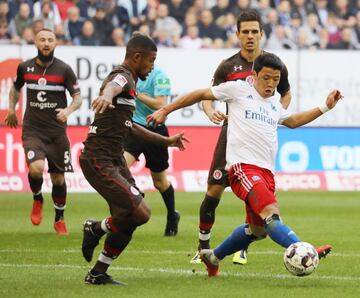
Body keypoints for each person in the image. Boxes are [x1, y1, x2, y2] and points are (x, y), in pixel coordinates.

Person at [147, 52, 338, 277]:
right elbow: (200, 94)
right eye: (266, 78)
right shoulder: (238, 89)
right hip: (243, 168)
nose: (271, 84)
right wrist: (165, 110)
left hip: (267, 173)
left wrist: (325, 107)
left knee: (258, 230)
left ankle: (213, 256)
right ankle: (305, 250)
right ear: (254, 75)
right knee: (272, 215)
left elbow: (293, 121)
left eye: (276, 80)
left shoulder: (274, 103)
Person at [79, 34, 189, 285]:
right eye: (151, 61)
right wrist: (107, 95)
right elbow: (113, 84)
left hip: (114, 158)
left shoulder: (132, 84)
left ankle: (98, 273)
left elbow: (131, 126)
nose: (151, 66)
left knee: (132, 216)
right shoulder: (124, 75)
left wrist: (167, 141)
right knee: (141, 211)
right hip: (98, 158)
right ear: (136, 57)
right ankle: (95, 228)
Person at [192, 9, 292, 265]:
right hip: (231, 136)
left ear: (262, 34)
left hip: (258, 138)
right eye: (245, 32)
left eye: (254, 32)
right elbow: (207, 94)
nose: (250, 36)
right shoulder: (228, 66)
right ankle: (203, 246)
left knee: (256, 198)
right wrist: (210, 110)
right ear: (237, 34)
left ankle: (243, 248)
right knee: (212, 193)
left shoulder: (273, 64)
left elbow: (286, 94)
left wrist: (275, 114)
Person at [5, 28, 82, 235]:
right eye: (42, 40)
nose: (46, 43)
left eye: (50, 40)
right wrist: (12, 109)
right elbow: (15, 88)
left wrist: (68, 110)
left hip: (57, 133)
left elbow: (78, 97)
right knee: (36, 169)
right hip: (33, 130)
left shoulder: (64, 69)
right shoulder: (25, 67)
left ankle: (59, 219)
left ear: (55, 43)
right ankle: (38, 197)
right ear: (36, 43)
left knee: (58, 179)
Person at [124, 64, 180, 237]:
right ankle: (133, 199)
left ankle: (172, 215)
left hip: (155, 130)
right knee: (121, 167)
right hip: (133, 128)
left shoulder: (159, 76)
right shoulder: (128, 73)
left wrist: (137, 95)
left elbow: (161, 103)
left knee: (159, 182)